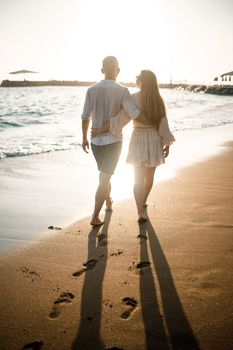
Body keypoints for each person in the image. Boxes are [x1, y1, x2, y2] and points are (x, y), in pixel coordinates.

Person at [92, 70, 175, 223]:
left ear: (142, 81)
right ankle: (143, 203)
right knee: (149, 177)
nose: (136, 79)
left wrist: (100, 130)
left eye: (137, 77)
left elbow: (120, 120)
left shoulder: (134, 98)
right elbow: (163, 124)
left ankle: (140, 211)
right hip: (154, 138)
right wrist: (167, 142)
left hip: (138, 138)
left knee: (138, 178)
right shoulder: (158, 100)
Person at [81, 57, 149, 226]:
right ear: (118, 70)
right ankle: (95, 216)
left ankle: (109, 200)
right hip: (113, 142)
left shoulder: (91, 90)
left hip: (95, 142)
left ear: (102, 70)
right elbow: (133, 113)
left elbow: (85, 117)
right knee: (105, 178)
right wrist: (152, 121)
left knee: (105, 175)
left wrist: (83, 138)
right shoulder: (123, 91)